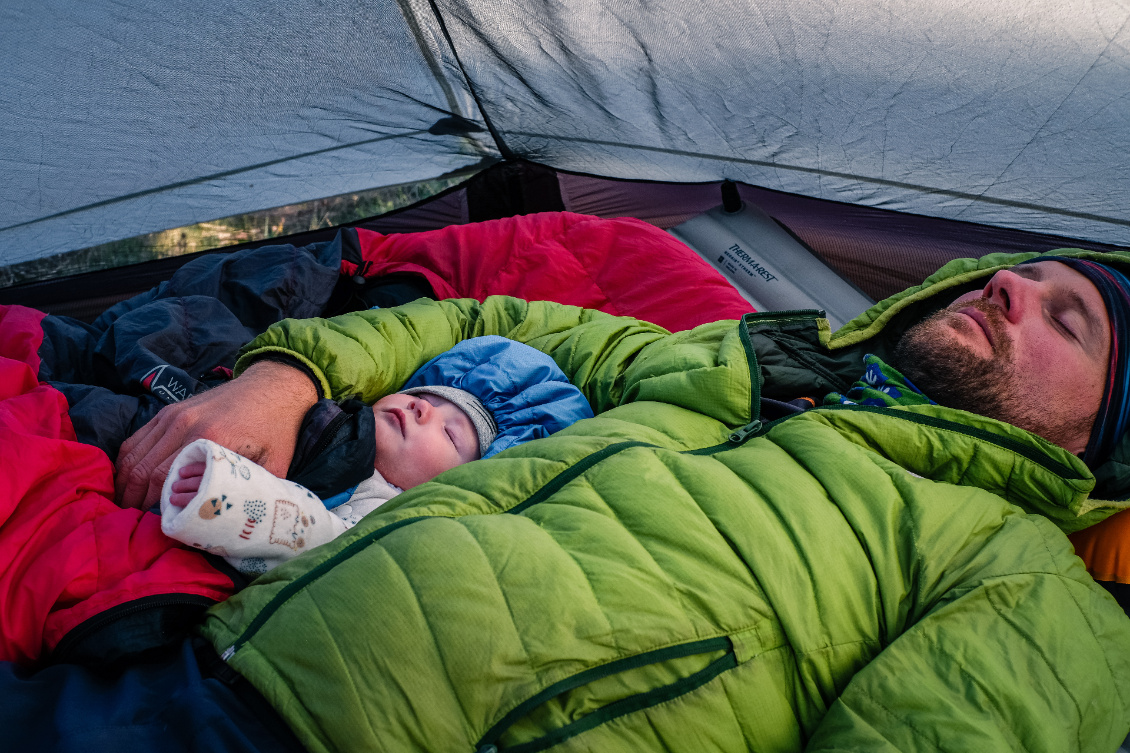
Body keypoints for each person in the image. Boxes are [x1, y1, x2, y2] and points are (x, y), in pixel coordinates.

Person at [13, 253, 1130, 751]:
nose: (1010, 289)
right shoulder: (733, 371)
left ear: (1105, 441)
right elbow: (486, 318)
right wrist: (283, 376)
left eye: (1064, 319)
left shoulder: (1014, 575)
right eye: (1019, 275)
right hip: (206, 664)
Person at [160, 385, 497, 575]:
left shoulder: (389, 508)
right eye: (421, 397)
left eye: (450, 435)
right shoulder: (333, 412)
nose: (421, 409)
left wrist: (229, 494)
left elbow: (327, 543)